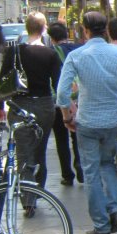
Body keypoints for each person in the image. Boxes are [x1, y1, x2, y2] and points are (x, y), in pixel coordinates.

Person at [55, 11, 117, 234]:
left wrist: (67, 117)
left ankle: (101, 225)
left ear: (85, 30)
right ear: (106, 30)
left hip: (87, 122)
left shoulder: (77, 56)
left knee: (91, 172)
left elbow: (62, 93)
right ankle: (116, 208)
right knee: (109, 164)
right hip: (113, 121)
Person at [0, 12, 61, 211]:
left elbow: (3, 79)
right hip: (44, 106)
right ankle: (37, 189)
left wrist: (0, 106)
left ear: (26, 27)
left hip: (20, 106)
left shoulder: (14, 51)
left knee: (24, 154)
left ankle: (28, 199)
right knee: (40, 150)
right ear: (44, 29)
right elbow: (57, 83)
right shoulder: (51, 54)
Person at [48, 21, 84, 185]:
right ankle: (81, 167)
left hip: (59, 102)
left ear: (51, 38)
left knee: (61, 139)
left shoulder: (51, 52)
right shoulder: (79, 49)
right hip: (79, 99)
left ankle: (67, 175)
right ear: (66, 34)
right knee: (77, 136)